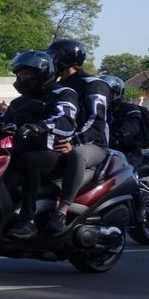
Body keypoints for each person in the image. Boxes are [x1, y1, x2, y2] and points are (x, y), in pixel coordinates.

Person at [0, 50, 79, 238]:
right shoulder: (19, 102)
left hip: (53, 154)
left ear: (42, 72)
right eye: (19, 74)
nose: (21, 78)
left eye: (26, 74)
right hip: (22, 150)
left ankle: (28, 221)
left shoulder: (63, 93)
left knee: (30, 160)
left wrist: (39, 127)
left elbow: (65, 118)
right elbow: (2, 121)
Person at [48, 38, 111, 234]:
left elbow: (96, 121)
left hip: (93, 144)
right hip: (61, 140)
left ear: (67, 58)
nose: (51, 62)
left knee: (78, 155)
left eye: (54, 57)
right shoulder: (54, 86)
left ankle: (62, 210)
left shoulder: (93, 84)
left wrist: (74, 142)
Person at [101, 74, 149, 167]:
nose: (101, 95)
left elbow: (132, 127)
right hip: (105, 151)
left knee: (121, 173)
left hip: (128, 152)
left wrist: (118, 135)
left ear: (116, 93)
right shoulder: (100, 110)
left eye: (104, 92)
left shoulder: (130, 109)